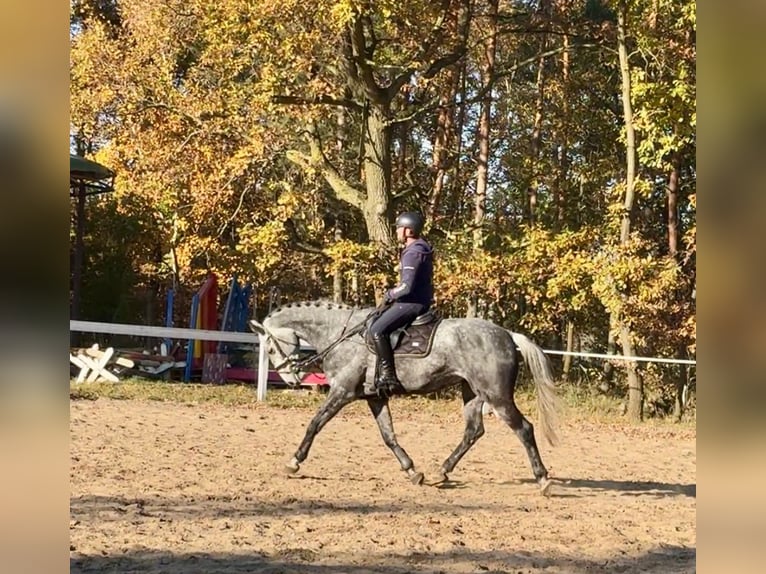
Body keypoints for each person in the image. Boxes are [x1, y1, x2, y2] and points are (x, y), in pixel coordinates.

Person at [368, 211, 434, 395]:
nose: (396, 231)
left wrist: (389, 294)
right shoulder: (419, 248)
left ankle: (388, 376)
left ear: (408, 231)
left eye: (398, 228)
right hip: (416, 300)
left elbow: (406, 287)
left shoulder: (413, 252)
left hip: (411, 302)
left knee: (376, 330)